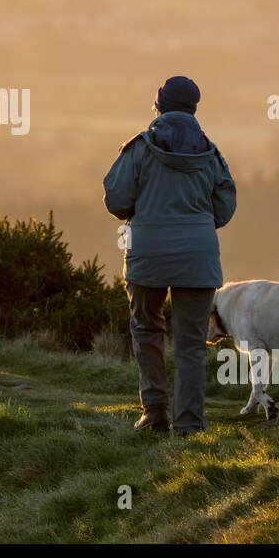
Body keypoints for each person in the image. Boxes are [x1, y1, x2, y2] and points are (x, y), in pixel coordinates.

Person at [104, 76, 237, 435]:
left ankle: (155, 414)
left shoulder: (140, 149)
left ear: (159, 106)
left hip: (148, 255)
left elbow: (116, 201)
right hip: (198, 258)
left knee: (147, 329)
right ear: (194, 108)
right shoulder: (211, 154)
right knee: (191, 342)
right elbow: (223, 210)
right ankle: (190, 424)